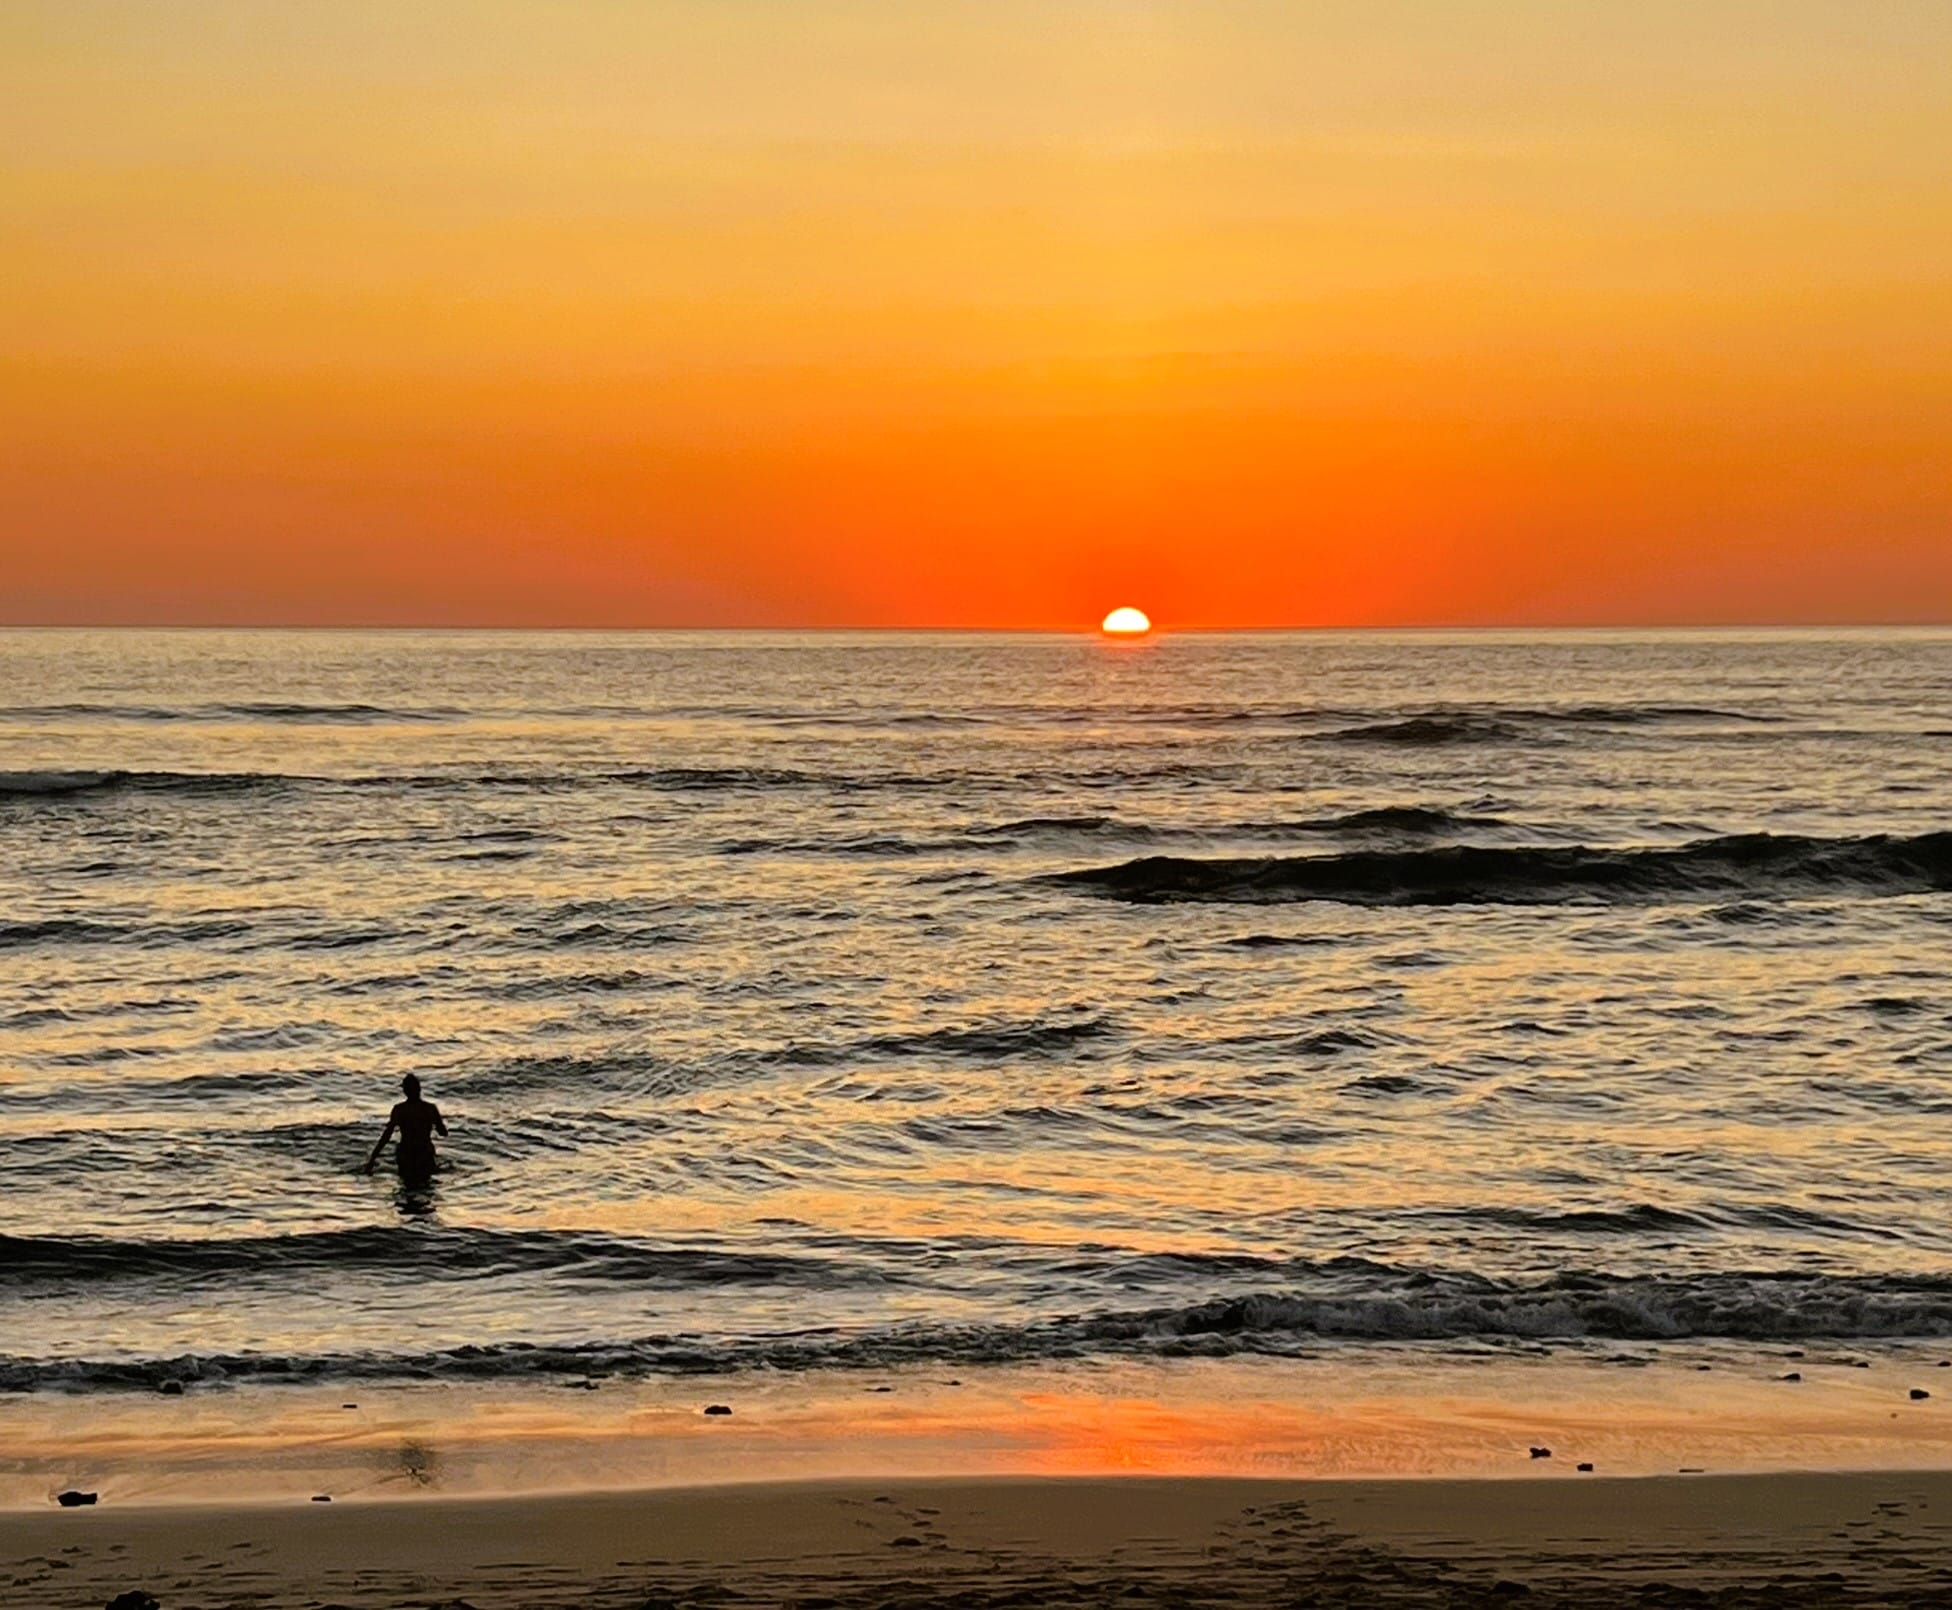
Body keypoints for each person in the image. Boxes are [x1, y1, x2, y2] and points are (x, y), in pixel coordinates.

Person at [364, 1074, 447, 1179]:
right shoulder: (430, 1109)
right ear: (419, 1089)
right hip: (424, 1152)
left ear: (405, 1091)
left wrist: (373, 1158)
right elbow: (443, 1133)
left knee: (406, 1185)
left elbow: (386, 1135)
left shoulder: (399, 1109)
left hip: (406, 1154)